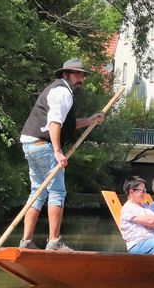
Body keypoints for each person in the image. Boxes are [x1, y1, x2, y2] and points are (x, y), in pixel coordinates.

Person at [19, 59, 105, 251]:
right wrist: (57, 152)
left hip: (30, 142)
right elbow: (54, 123)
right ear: (65, 74)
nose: (81, 78)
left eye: (82, 75)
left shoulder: (58, 90)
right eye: (77, 74)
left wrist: (91, 120)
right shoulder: (62, 92)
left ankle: (26, 242)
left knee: (38, 192)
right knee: (57, 192)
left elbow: (66, 124)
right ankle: (54, 241)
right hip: (43, 144)